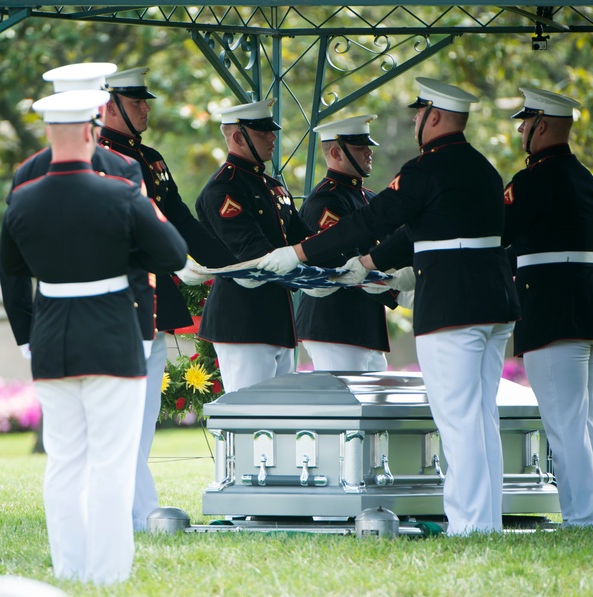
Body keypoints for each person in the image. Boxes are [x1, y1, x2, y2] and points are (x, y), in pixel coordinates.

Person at [259, 78, 520, 535]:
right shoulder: (484, 168)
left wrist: (300, 252)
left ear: (434, 116)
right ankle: (487, 520)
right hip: (493, 301)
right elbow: (416, 231)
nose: (416, 120)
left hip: (452, 305)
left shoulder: (424, 169)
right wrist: (369, 263)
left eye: (419, 113)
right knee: (481, 416)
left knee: (457, 418)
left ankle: (471, 526)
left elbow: (373, 220)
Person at [0, 89, 187, 584]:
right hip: (111, 334)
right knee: (111, 462)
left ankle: (70, 567)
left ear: (48, 132)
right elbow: (172, 252)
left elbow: (11, 270)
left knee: (63, 462)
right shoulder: (120, 193)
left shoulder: (22, 199)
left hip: (51, 337)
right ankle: (106, 573)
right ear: (91, 130)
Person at [98, 66, 236, 531]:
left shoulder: (151, 158)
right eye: (135, 101)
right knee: (122, 416)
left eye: (145, 100)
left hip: (153, 302)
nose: (145, 108)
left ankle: (133, 510)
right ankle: (135, 512)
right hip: (121, 297)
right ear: (109, 105)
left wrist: (230, 265)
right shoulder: (98, 156)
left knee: (142, 417)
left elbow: (180, 218)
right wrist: (171, 257)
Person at [501, 87, 593, 526]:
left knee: (564, 421)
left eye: (525, 122)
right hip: (589, 308)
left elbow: (497, 233)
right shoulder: (585, 177)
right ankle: (588, 512)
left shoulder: (532, 180)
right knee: (582, 419)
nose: (520, 130)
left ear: (542, 125)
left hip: (554, 309)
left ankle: (582, 519)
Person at [1, 63, 148, 364]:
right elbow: (144, 253)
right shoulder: (123, 168)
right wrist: (144, 324)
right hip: (117, 320)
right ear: (101, 109)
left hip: (52, 324)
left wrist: (25, 332)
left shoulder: (28, 171)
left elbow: (11, 265)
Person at [194, 98, 315, 393]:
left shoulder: (272, 186)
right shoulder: (224, 187)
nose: (273, 137)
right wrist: (309, 273)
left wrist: (344, 261)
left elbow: (305, 239)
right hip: (243, 320)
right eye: (263, 132)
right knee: (249, 412)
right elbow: (252, 250)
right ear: (238, 137)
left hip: (277, 319)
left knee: (278, 414)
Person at [296, 114, 403, 372]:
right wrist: (397, 291)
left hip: (363, 323)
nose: (369, 152)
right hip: (334, 323)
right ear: (336, 152)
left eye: (367, 146)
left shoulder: (367, 197)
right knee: (342, 396)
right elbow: (341, 259)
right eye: (359, 147)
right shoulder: (326, 200)